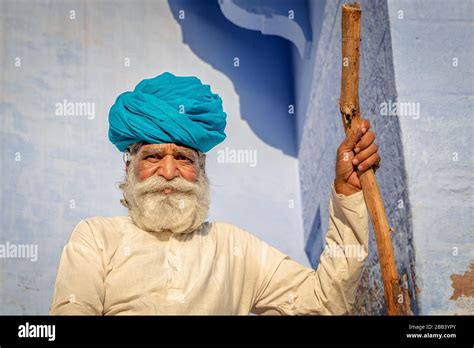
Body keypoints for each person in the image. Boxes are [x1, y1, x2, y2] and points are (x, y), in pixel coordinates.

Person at [50, 72, 380, 315]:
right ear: (129, 168)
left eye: (183, 158)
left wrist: (347, 194)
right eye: (153, 157)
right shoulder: (96, 238)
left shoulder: (234, 248)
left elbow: (324, 303)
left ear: (201, 171)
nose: (168, 173)